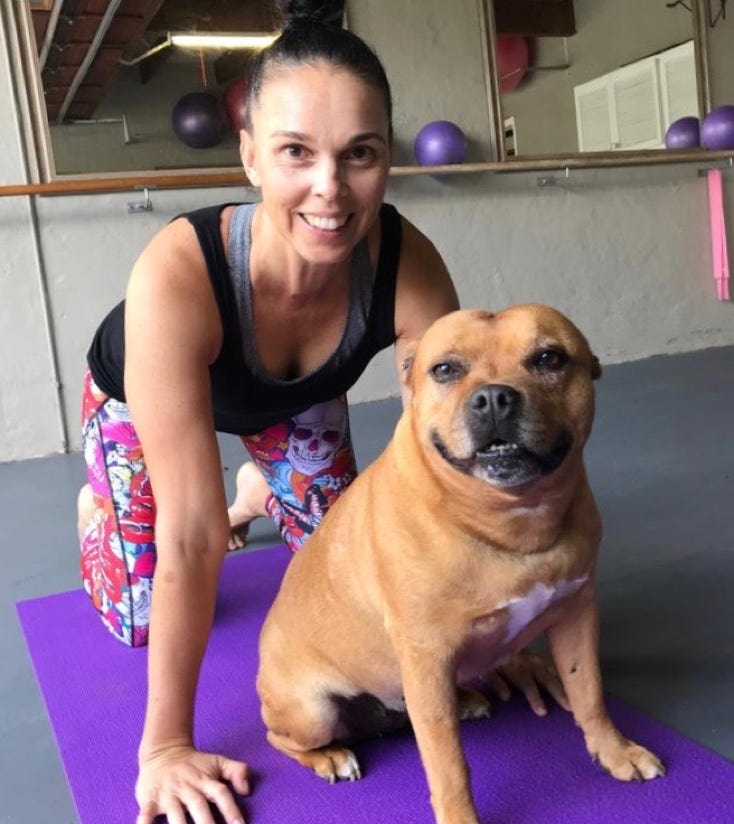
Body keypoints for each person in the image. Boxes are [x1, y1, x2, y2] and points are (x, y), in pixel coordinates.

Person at [76, 2, 568, 822]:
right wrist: (164, 746)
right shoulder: (177, 275)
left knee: (344, 578)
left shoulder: (406, 266)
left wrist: (492, 634)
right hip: (144, 403)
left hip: (293, 406)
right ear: (250, 157)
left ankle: (259, 489)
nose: (330, 189)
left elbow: (451, 454)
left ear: (386, 159)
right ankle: (105, 506)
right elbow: (193, 538)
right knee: (142, 610)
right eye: (296, 153)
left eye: (360, 155)